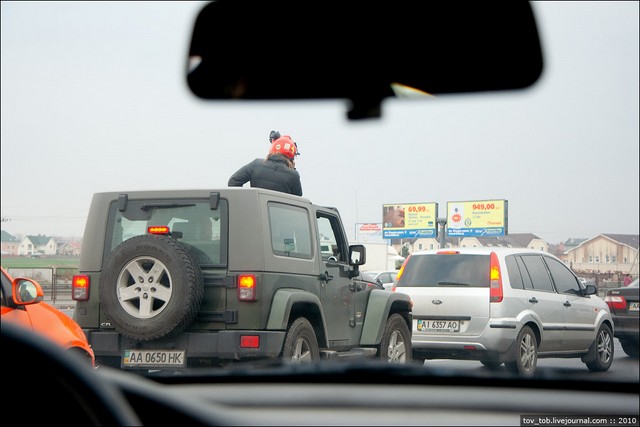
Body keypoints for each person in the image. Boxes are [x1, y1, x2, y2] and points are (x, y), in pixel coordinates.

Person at [228, 132, 303, 196]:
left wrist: (247, 201)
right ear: (291, 157)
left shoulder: (256, 164)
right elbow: (298, 203)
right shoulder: (293, 175)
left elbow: (233, 181)